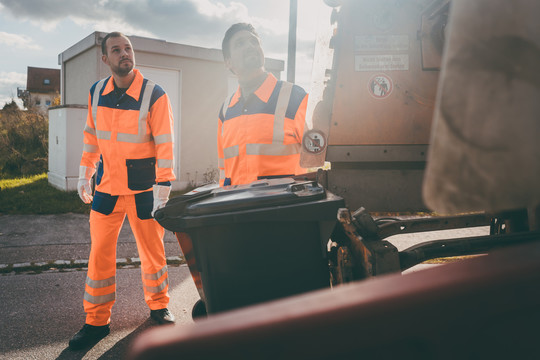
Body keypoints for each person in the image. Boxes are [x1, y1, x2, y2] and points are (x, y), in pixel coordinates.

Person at [69, 31, 176, 350]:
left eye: (127, 48)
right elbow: (91, 136)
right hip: (106, 187)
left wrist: (164, 184)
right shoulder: (96, 92)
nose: (124, 53)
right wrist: (85, 171)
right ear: (105, 59)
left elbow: (166, 144)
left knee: (153, 253)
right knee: (99, 255)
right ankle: (96, 322)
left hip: (144, 188)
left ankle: (159, 307)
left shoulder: (154, 94)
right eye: (116, 50)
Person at [218, 23, 308, 186]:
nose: (250, 46)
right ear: (228, 62)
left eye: (254, 42)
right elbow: (224, 170)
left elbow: (318, 157)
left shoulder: (295, 98)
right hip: (237, 208)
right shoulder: (225, 111)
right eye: (240, 43)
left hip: (285, 208)